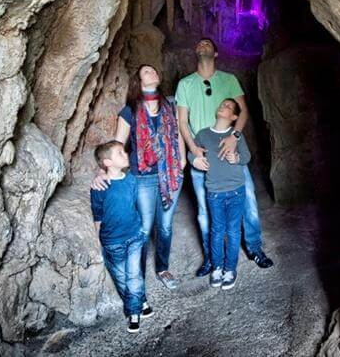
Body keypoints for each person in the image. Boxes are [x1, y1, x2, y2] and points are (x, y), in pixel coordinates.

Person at [176, 38, 273, 277]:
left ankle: (254, 248)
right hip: (203, 154)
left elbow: (243, 111)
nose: (202, 45)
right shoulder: (185, 84)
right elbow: (182, 122)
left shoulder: (229, 80)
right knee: (204, 210)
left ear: (216, 53)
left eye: (208, 44)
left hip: (229, 151)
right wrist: (193, 150)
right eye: (198, 44)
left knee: (248, 200)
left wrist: (235, 136)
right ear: (194, 52)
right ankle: (212, 258)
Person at [91, 65, 185, 290]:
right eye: (146, 71)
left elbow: (178, 133)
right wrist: (102, 171)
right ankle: (137, 276)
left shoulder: (170, 105)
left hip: (171, 173)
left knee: (165, 227)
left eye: (154, 70)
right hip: (142, 177)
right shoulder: (129, 111)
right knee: (143, 228)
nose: (152, 72)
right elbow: (117, 144)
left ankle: (162, 268)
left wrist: (181, 161)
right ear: (138, 81)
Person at [90, 141, 153, 332]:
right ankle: (141, 301)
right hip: (112, 241)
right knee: (121, 278)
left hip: (134, 235)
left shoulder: (131, 179)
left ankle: (133, 313)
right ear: (107, 162)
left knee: (134, 275)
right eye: (119, 153)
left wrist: (141, 228)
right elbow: (97, 214)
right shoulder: (99, 187)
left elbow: (134, 204)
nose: (125, 154)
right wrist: (98, 239)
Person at [188, 99, 252, 289]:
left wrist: (237, 158)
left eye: (229, 106)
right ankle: (217, 267)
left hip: (236, 190)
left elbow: (247, 157)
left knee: (233, 231)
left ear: (234, 117)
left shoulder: (236, 135)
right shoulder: (203, 134)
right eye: (222, 104)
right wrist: (195, 160)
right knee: (217, 231)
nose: (223, 106)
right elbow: (193, 152)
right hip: (214, 191)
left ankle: (230, 269)